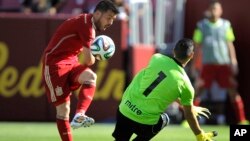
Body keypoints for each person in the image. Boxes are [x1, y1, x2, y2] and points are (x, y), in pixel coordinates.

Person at [41, 1, 119, 141]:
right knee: (63, 111)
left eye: (113, 19)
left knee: (90, 77)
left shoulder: (88, 23)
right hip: (54, 64)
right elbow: (89, 61)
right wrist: (97, 55)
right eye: (108, 17)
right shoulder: (87, 27)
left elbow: (85, 61)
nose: (111, 22)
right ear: (97, 13)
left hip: (71, 61)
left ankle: (79, 114)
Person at [112, 38, 217, 141]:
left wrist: (187, 106)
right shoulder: (186, 85)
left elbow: (159, 86)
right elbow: (188, 115)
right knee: (164, 119)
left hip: (124, 111)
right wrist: (199, 134)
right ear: (191, 55)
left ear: (174, 51)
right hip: (144, 123)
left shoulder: (156, 58)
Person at [192, 0, 249, 124]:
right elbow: (197, 46)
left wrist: (233, 61)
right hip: (207, 64)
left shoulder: (226, 25)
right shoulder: (201, 25)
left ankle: (242, 120)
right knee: (198, 92)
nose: (214, 11)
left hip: (223, 65)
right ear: (208, 10)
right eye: (212, 9)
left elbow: (230, 44)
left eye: (216, 9)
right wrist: (194, 64)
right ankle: (189, 119)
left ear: (221, 11)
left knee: (233, 91)